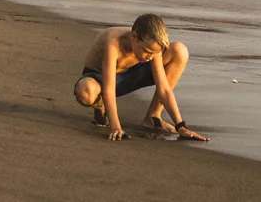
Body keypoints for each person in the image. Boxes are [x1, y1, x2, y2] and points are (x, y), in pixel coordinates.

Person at [72, 14, 206, 142]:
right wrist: (116, 127)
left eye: (154, 53)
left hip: (133, 74)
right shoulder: (113, 41)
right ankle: (100, 104)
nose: (150, 57)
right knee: (85, 91)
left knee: (179, 50)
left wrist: (180, 126)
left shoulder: (152, 48)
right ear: (134, 37)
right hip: (101, 79)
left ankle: (153, 117)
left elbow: (164, 89)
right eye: (147, 52)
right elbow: (109, 89)